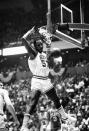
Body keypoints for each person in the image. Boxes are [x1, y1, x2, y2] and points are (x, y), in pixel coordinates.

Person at [20, 26, 76, 131]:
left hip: (45, 80)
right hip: (37, 80)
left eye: (41, 44)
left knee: (56, 99)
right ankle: (24, 126)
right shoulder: (33, 54)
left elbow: (49, 65)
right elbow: (23, 40)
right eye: (38, 45)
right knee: (33, 102)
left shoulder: (43, 55)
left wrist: (50, 47)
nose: (41, 46)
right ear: (35, 47)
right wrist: (30, 32)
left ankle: (64, 116)